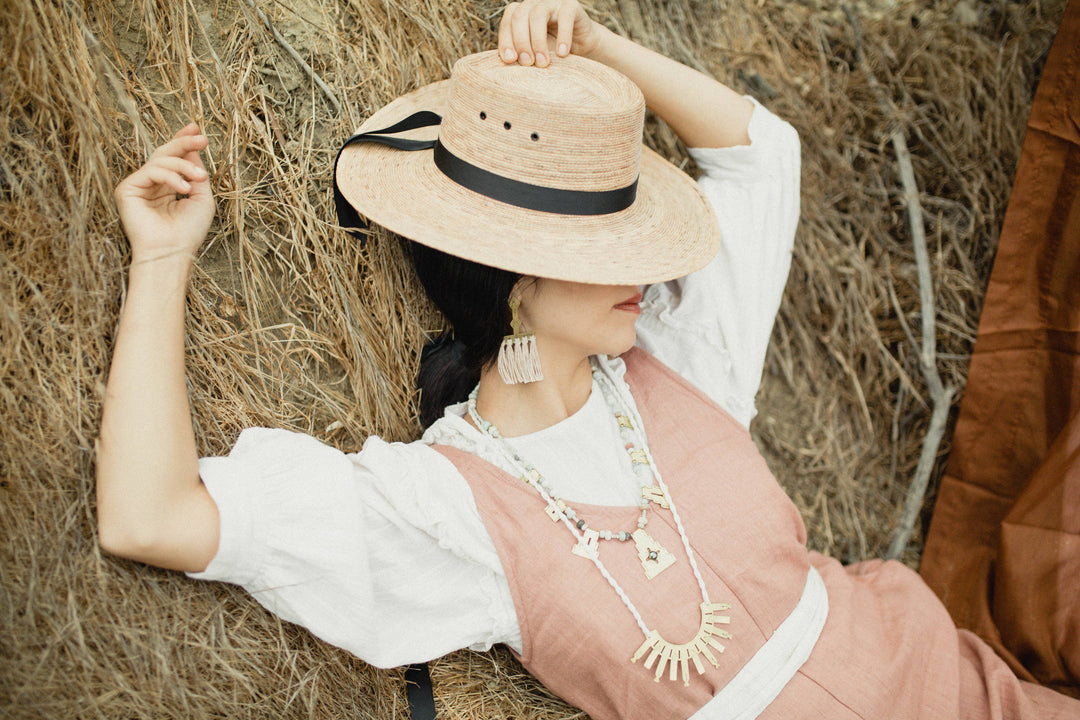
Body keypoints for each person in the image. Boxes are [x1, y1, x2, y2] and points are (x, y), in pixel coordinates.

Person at [96, 1, 1080, 718]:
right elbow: (152, 517)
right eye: (605, 254)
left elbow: (758, 151)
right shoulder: (449, 509)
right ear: (514, 280)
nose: (643, 273)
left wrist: (594, 45)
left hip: (968, 692)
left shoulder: (680, 356)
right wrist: (164, 258)